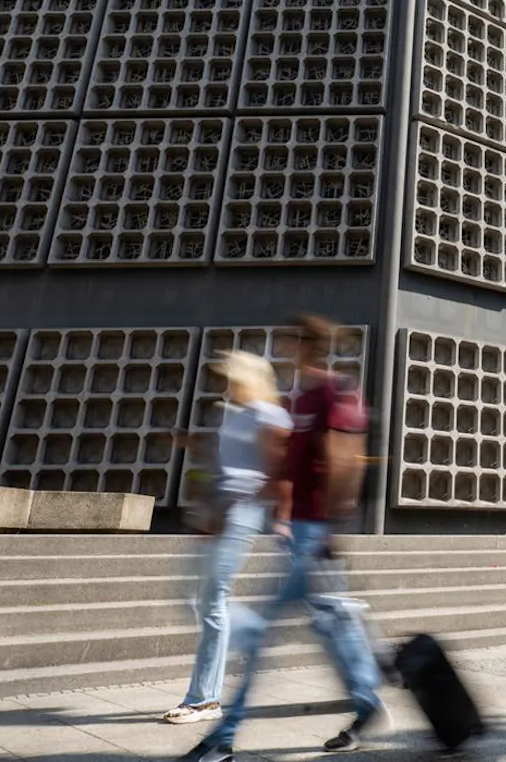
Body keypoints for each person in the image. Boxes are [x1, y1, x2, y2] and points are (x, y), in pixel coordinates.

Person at [184, 315, 382, 762]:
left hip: (315, 535)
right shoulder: (300, 399)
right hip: (300, 533)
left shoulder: (334, 392)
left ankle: (223, 738)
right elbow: (283, 469)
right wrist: (274, 511)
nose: (282, 350)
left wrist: (329, 527)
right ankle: (369, 701)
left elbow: (347, 461)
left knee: (264, 631)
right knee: (333, 625)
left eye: (289, 342)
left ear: (306, 345)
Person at [162, 351, 291, 725]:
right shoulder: (235, 414)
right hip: (217, 510)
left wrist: (274, 515)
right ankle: (253, 635)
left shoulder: (270, 415)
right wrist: (194, 444)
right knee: (189, 596)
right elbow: (230, 459)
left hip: (238, 512)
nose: (227, 384)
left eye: (232, 378)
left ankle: (203, 700)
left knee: (212, 600)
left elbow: (276, 470)